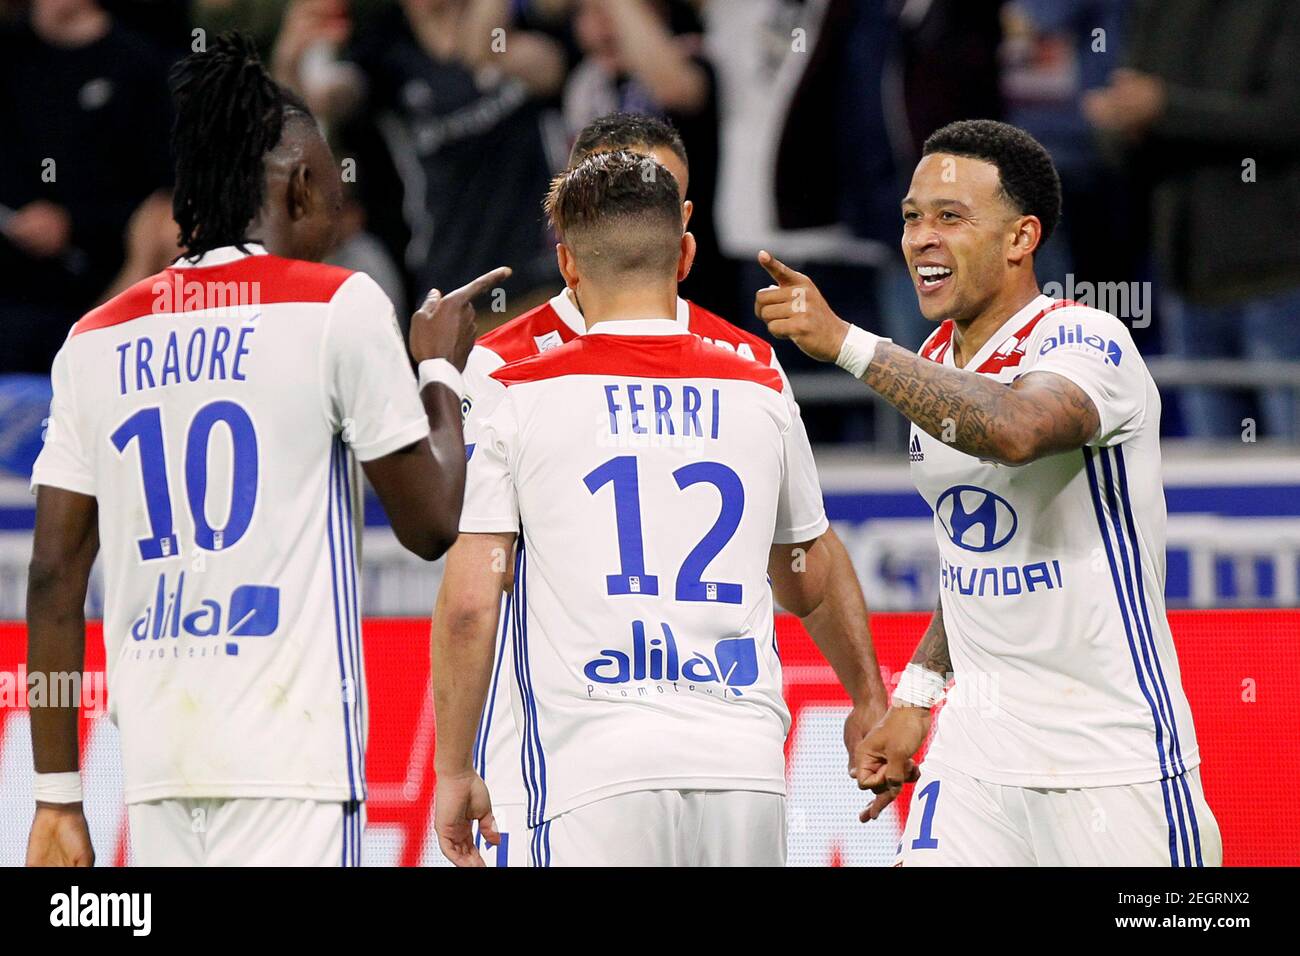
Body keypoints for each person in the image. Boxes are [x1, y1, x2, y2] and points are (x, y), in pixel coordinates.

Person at [24, 33, 501, 867]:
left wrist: (58, 797)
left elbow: (54, 578)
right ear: (302, 184)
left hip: (161, 776)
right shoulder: (335, 304)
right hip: (297, 770)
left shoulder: (94, 338)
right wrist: (438, 370)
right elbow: (432, 522)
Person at [754, 119, 1221, 866]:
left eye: (950, 217)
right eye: (911, 217)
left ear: (1020, 238)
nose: (921, 238)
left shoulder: (1085, 339)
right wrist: (916, 699)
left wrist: (848, 343)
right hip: (974, 755)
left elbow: (1017, 428)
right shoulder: (934, 364)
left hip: (1109, 759)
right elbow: (975, 555)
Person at [433, 111, 886, 866]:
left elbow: (471, 596)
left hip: (588, 770)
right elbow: (806, 561)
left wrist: (868, 691)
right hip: (734, 765)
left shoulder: (507, 377)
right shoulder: (755, 374)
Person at [1084, 0, 1300, 440]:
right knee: (1213, 472)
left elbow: (1286, 119)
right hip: (1184, 273)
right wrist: (1116, 127)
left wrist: (1164, 110)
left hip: (1278, 274)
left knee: (1289, 469)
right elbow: (1135, 120)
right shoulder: (1156, 10)